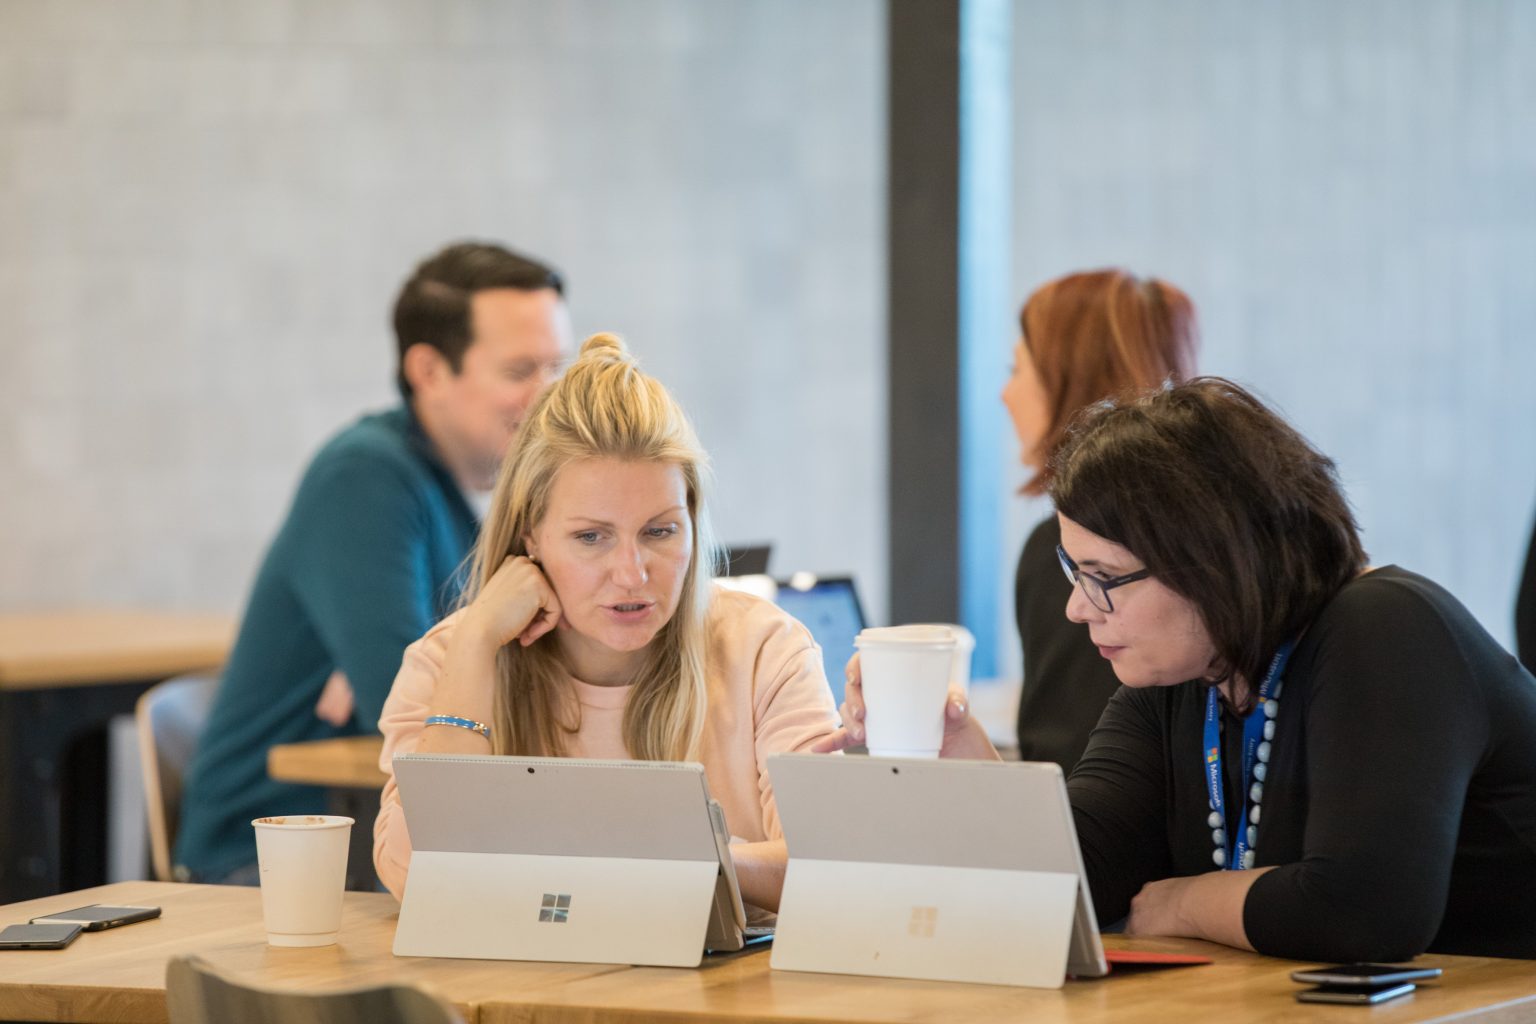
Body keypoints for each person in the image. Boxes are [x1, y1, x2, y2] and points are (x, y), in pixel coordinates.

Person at [826, 378, 1536, 961]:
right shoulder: (1182, 678)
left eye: (1102, 578)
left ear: (1212, 564)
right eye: (1073, 571)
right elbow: (1077, 879)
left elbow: (1366, 910)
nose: (1078, 609)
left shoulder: (1385, 628)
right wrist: (960, 764)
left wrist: (1184, 900)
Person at [372, 333, 839, 909]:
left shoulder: (765, 648)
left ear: (693, 524)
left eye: (660, 531)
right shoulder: (449, 658)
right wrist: (475, 648)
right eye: (591, 537)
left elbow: (831, 863)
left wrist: (672, 858)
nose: (632, 574)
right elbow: (415, 871)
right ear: (530, 535)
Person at [175, 241, 571, 884]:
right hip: (280, 858)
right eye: (521, 369)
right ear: (428, 370)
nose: (549, 396)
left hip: (377, 835)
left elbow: (422, 682)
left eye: (559, 367)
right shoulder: (365, 478)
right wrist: (438, 665)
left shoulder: (454, 493)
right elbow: (408, 698)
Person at [1004, 269, 1197, 770]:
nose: (1006, 394)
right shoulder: (1189, 530)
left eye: (1016, 369)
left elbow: (1063, 763)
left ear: (1069, 377)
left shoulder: (1072, 548)